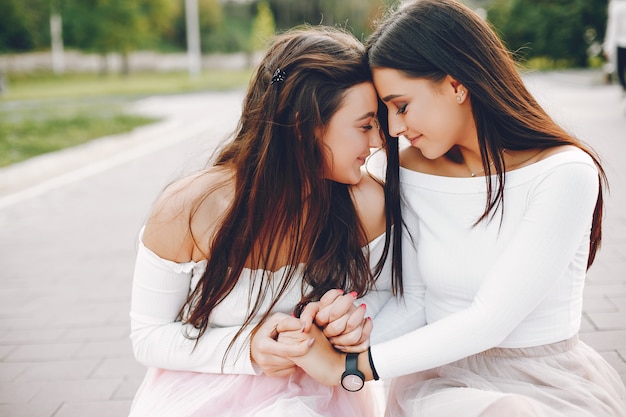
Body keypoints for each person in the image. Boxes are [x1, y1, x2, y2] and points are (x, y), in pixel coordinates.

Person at [283, 1, 626, 416]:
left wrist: (350, 367)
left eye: (402, 106)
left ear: (457, 84)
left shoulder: (564, 173)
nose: (393, 129)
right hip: (440, 383)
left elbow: (491, 320)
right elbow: (416, 302)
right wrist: (341, 329)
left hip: (542, 382)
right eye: (385, 113)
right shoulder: (405, 169)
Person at [127, 25, 405, 417]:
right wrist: (249, 347)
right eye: (364, 126)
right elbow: (148, 337)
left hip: (323, 396)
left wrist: (356, 322)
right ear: (301, 123)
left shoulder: (366, 202)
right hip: (208, 390)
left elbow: (392, 301)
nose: (378, 141)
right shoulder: (189, 210)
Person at [604, 0, 626, 95]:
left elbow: (613, 28)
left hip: (621, 43)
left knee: (619, 71)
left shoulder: (616, 6)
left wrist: (608, 47)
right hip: (621, 42)